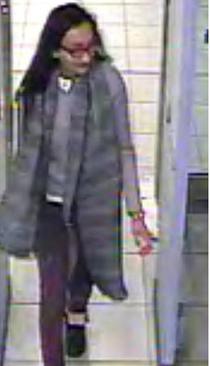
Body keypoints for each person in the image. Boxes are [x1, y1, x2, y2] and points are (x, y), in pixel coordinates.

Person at [0, 4, 153, 365]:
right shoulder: (38, 88)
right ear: (55, 50)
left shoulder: (109, 83)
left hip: (92, 202)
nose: (85, 58)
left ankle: (78, 314)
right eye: (75, 51)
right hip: (49, 207)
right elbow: (24, 154)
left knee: (82, 272)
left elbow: (124, 149)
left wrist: (136, 214)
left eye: (91, 47)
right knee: (50, 293)